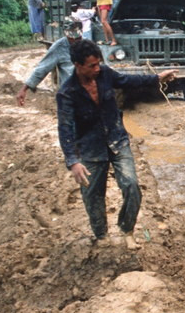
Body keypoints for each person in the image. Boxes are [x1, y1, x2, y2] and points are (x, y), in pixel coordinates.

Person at [56, 39, 178, 243]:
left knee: (131, 185)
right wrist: (73, 161)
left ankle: (126, 229)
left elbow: (128, 80)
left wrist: (157, 78)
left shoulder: (105, 74)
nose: (97, 68)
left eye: (98, 63)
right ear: (78, 65)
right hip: (90, 148)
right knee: (92, 195)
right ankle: (101, 236)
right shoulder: (67, 93)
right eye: (92, 66)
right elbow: (65, 128)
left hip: (117, 140)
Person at [16, 22, 83, 106]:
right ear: (66, 34)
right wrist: (24, 89)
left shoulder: (86, 44)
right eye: (72, 38)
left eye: (78, 38)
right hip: (70, 95)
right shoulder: (58, 47)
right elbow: (42, 68)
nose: (75, 40)